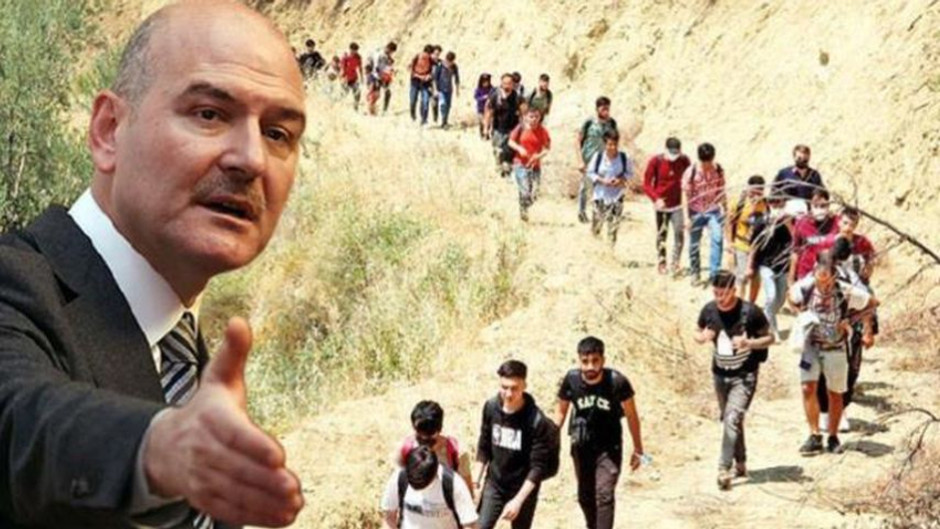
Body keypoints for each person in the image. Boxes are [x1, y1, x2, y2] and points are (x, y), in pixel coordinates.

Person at [0, 2, 307, 527]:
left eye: (278, 134)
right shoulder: (17, 286)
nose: (251, 158)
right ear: (109, 130)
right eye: (209, 114)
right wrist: (160, 448)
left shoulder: (192, 365)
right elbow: (20, 421)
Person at [789, 252, 877, 455]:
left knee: (835, 393)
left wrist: (850, 320)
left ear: (834, 275)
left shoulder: (845, 291)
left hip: (835, 347)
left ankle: (833, 436)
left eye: (826, 279)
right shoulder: (806, 287)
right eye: (819, 277)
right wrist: (800, 313)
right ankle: (814, 435)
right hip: (811, 346)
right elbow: (790, 297)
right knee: (807, 387)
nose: (823, 283)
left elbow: (872, 303)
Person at [553, 336, 645, 529]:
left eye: (595, 361)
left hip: (609, 447)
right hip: (582, 446)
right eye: (585, 361)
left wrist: (638, 449)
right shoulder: (571, 380)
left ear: (603, 360)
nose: (590, 366)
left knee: (604, 494)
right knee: (585, 496)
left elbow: (632, 415)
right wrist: (549, 439)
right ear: (579, 360)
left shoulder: (617, 382)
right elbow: (560, 412)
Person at [694, 271, 774, 490]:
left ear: (734, 290)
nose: (720, 298)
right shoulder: (709, 310)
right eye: (716, 293)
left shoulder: (750, 312)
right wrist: (702, 337)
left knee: (732, 417)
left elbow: (770, 338)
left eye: (724, 293)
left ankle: (723, 468)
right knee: (731, 418)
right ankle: (741, 461)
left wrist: (749, 343)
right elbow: (697, 331)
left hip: (745, 376)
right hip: (720, 375)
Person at [475, 360, 559, 529]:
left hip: (523, 487)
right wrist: (475, 483)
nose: (508, 394)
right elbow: (484, 447)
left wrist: (518, 501)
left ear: (524, 386)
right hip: (495, 483)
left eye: (514, 388)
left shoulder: (536, 421)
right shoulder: (491, 408)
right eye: (504, 387)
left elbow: (537, 468)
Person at [816, 210, 878, 432]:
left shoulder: (853, 270)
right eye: (844, 222)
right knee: (821, 368)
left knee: (850, 368)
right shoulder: (822, 260)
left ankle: (840, 410)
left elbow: (868, 301)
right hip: (825, 325)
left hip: (851, 323)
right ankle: (825, 411)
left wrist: (867, 329)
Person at [381, 446, 479, 529]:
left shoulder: (453, 484)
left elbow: (470, 524)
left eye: (422, 484)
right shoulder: (399, 477)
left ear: (435, 474)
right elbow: (388, 517)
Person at [395, 400, 474, 491]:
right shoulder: (405, 449)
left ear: (440, 429)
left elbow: (467, 490)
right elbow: (399, 484)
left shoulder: (457, 452)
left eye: (429, 433)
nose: (424, 438)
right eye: (420, 432)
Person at [748, 195, 793, 341]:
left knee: (779, 300)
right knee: (771, 296)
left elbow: (797, 241)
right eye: (773, 202)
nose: (776, 205)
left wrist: (788, 224)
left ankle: (765, 318)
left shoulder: (790, 221)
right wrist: (750, 266)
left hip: (783, 266)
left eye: (779, 202)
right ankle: (772, 331)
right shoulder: (761, 222)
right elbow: (754, 245)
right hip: (766, 264)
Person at [643, 137, 691, 275]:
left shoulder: (684, 160)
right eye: (671, 153)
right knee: (662, 234)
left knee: (679, 232)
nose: (674, 157)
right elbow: (646, 184)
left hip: (677, 205)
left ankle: (675, 262)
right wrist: (656, 199)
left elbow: (689, 178)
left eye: (676, 153)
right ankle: (662, 261)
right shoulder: (656, 161)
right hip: (661, 206)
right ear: (665, 150)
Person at [683, 142, 727, 286]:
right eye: (704, 162)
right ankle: (695, 272)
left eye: (709, 162)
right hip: (695, 211)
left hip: (713, 210)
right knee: (694, 243)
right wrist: (686, 218)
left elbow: (721, 191)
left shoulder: (718, 170)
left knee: (717, 239)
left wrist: (726, 210)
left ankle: (714, 274)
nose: (707, 165)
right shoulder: (691, 172)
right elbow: (685, 195)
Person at [586, 130, 634, 245]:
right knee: (596, 227)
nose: (612, 147)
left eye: (615, 144)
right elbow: (590, 173)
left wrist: (620, 180)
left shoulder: (624, 158)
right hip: (600, 196)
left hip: (616, 197)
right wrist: (603, 181)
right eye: (609, 144)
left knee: (613, 228)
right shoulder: (598, 157)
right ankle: (595, 248)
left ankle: (610, 250)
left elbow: (629, 173)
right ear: (605, 144)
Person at [576, 97, 618, 223]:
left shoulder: (612, 123)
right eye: (603, 108)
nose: (606, 110)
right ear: (597, 109)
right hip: (588, 159)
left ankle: (600, 212)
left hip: (604, 161)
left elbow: (615, 142)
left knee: (602, 187)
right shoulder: (589, 123)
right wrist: (580, 160)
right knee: (585, 186)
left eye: (607, 108)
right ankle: (581, 212)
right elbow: (578, 140)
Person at [727, 175, 767, 302]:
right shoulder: (739, 203)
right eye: (753, 191)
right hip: (741, 244)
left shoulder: (765, 204)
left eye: (759, 192)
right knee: (742, 276)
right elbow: (729, 223)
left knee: (756, 277)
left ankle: (751, 303)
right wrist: (729, 243)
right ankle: (740, 302)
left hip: (759, 246)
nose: (755, 195)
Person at [789, 188, 840, 285]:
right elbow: (795, 252)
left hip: (830, 275)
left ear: (828, 205)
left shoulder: (837, 222)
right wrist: (791, 278)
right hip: (806, 273)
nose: (819, 209)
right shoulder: (802, 223)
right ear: (810, 206)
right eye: (815, 205)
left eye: (823, 206)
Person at [507, 108, 551, 221]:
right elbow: (510, 142)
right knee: (525, 190)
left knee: (535, 193)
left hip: (535, 166)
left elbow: (547, 148)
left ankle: (524, 206)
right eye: (531, 117)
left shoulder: (542, 131)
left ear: (540, 118)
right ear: (526, 117)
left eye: (536, 117)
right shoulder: (520, 128)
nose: (534, 119)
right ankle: (523, 211)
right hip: (520, 164)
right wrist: (519, 148)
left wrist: (538, 156)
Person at [483, 73, 521, 178]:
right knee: (498, 151)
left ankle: (507, 171)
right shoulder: (496, 96)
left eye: (509, 83)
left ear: (513, 84)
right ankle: (500, 167)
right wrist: (486, 128)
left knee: (510, 151)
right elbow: (489, 112)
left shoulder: (517, 97)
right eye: (505, 83)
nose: (507, 86)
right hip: (498, 129)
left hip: (513, 129)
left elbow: (523, 113)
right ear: (501, 83)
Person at [772, 144, 825, 215]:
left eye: (805, 159)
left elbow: (822, 190)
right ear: (794, 157)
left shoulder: (814, 174)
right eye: (799, 158)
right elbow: (774, 191)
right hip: (788, 214)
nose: (802, 161)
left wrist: (817, 195)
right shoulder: (784, 173)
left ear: (809, 157)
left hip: (809, 214)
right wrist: (779, 201)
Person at [433, 51, 460, 129]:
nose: (449, 64)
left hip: (449, 89)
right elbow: (435, 78)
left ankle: (445, 121)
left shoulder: (454, 66)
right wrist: (435, 89)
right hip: (440, 89)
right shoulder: (440, 65)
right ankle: (443, 121)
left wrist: (457, 89)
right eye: (448, 61)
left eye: (451, 62)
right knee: (443, 104)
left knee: (448, 106)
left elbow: (457, 78)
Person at [410, 45, 434, 124]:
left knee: (425, 101)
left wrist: (429, 76)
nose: (425, 56)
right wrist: (418, 75)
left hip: (425, 83)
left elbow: (434, 71)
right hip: (415, 81)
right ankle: (413, 115)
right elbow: (410, 68)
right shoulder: (417, 57)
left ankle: (424, 119)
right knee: (413, 100)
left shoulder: (430, 60)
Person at [371, 41, 398, 114]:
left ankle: (384, 110)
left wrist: (392, 69)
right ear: (388, 48)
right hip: (377, 76)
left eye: (392, 52)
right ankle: (372, 109)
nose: (391, 53)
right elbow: (376, 66)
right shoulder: (379, 54)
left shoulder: (387, 56)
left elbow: (387, 66)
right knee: (376, 94)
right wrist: (379, 76)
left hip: (385, 76)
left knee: (387, 92)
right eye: (391, 51)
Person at [340, 41, 365, 111]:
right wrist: (343, 78)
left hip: (354, 78)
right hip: (346, 78)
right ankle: (339, 106)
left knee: (357, 92)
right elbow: (342, 68)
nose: (354, 52)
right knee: (344, 93)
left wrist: (362, 77)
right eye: (353, 50)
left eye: (356, 51)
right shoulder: (345, 57)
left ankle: (356, 107)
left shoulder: (358, 57)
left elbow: (360, 67)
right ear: (350, 49)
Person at [474, 73, 493, 139]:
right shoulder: (478, 89)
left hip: (489, 109)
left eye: (487, 82)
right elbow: (476, 97)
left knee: (488, 122)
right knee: (482, 122)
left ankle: (487, 134)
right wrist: (483, 97)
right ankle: (482, 134)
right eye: (484, 82)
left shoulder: (491, 89)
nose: (485, 83)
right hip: (481, 108)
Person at [429, 45, 444, 124]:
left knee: (435, 102)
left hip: (437, 85)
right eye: (435, 54)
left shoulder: (440, 63)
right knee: (426, 101)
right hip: (427, 84)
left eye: (438, 54)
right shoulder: (428, 61)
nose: (436, 56)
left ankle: (435, 118)